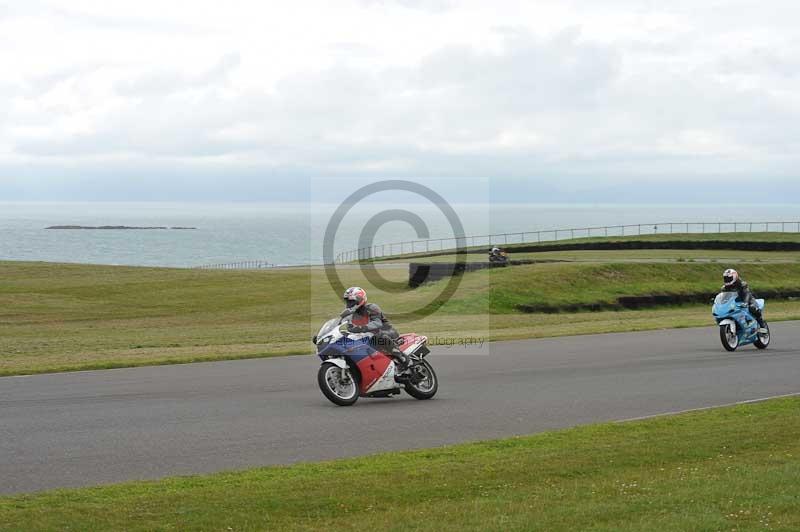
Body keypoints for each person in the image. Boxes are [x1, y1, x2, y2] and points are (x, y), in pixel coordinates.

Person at [342, 286, 409, 369]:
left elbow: (377, 323)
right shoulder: (351, 314)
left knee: (377, 337)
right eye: (348, 301)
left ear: (360, 299)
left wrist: (361, 328)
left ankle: (400, 356)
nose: (349, 304)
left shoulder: (371, 308)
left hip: (387, 332)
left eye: (352, 301)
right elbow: (344, 325)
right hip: (367, 336)